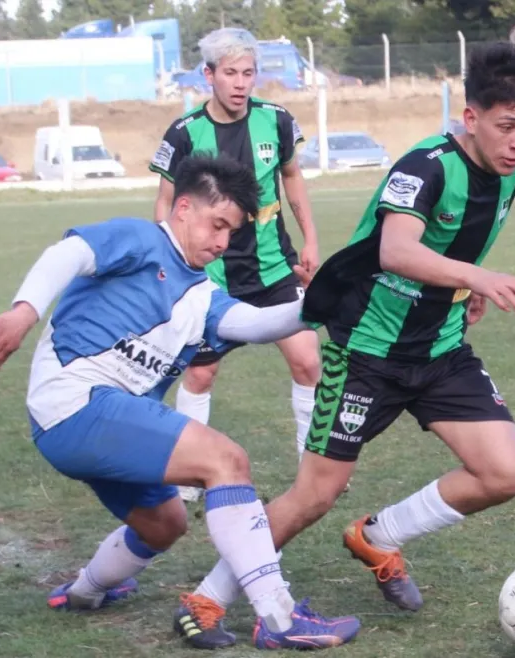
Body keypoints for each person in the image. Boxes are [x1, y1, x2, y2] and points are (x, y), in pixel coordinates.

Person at [172, 42, 515, 649]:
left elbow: (461, 239)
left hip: (440, 349)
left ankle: (379, 536)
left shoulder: (514, 170)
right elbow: (396, 249)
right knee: (315, 493)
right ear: (470, 117)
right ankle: (206, 600)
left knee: (504, 472)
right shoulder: (425, 166)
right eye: (506, 127)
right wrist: (477, 277)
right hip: (366, 352)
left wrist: (462, 285)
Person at [0, 154, 359, 651]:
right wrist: (23, 312)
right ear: (184, 207)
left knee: (165, 523)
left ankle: (85, 592)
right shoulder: (144, 239)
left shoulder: (202, 293)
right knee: (227, 461)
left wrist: (318, 303)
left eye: (231, 233)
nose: (221, 242)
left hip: (94, 423)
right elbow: (68, 253)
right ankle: (279, 618)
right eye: (217, 224)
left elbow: (256, 325)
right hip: (77, 402)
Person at [149, 28, 321, 501]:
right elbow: (165, 203)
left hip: (273, 269)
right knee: (201, 373)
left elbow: (293, 181)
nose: (241, 83)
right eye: (230, 73)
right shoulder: (185, 133)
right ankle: (186, 477)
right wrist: (172, 264)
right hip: (210, 277)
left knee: (308, 362)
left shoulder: (277, 121)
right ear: (209, 76)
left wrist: (311, 241)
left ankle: (312, 467)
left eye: (248, 73)